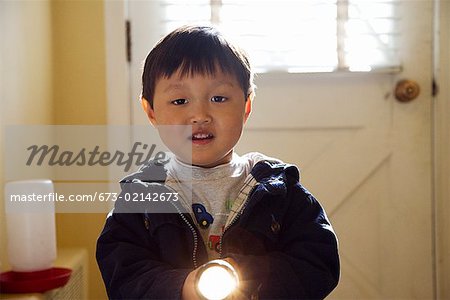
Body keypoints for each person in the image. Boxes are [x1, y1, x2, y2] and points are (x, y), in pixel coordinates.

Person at [96, 25, 340, 299]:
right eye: (179, 100)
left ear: (246, 106)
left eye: (219, 98)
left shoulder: (278, 190)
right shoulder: (141, 197)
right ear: (151, 111)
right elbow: (123, 275)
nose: (200, 115)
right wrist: (184, 288)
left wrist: (247, 274)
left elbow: (318, 262)